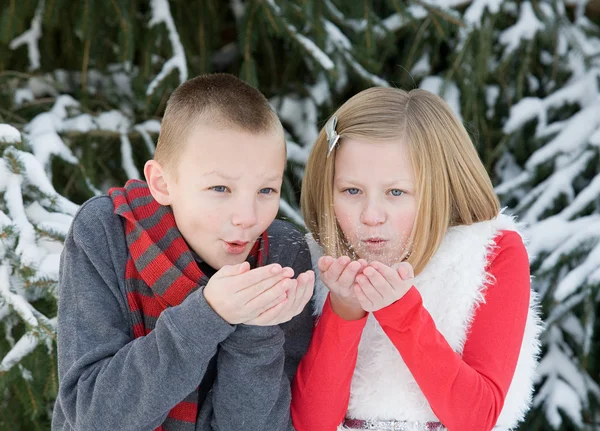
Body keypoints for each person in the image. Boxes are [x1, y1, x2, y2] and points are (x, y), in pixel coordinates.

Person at [52, 73, 315, 431]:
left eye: (266, 190)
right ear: (162, 183)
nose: (248, 218)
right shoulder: (105, 231)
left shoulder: (281, 257)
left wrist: (256, 331)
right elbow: (93, 415)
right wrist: (208, 315)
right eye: (221, 188)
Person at [291, 87, 542, 431]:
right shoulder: (318, 262)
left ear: (439, 188)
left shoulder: (488, 254)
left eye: (396, 192)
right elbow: (312, 422)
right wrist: (344, 309)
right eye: (352, 191)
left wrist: (401, 311)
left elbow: (477, 418)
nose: (371, 215)